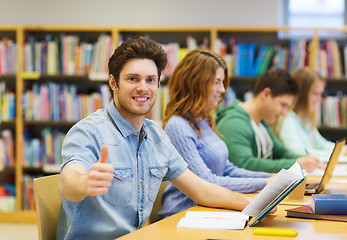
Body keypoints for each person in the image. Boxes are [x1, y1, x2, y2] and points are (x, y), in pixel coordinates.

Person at [56, 36, 256, 240]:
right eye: (133, 79)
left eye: (150, 80)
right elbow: (68, 182)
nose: (143, 87)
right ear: (113, 83)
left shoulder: (156, 136)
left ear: (159, 84)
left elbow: (202, 190)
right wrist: (85, 183)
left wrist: (256, 206)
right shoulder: (88, 131)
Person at [159, 49, 274, 219]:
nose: (222, 90)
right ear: (196, 83)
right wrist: (264, 183)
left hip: (211, 208)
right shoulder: (177, 126)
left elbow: (227, 169)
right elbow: (207, 181)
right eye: (217, 82)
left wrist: (272, 178)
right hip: (183, 214)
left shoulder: (203, 121)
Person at [216, 69, 321, 173]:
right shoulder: (234, 123)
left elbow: (280, 152)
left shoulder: (260, 121)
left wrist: (307, 160)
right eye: (282, 105)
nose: (284, 113)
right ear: (266, 94)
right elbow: (244, 165)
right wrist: (296, 164)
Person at [274, 67, 347, 158]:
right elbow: (298, 152)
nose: (319, 99)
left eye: (320, 94)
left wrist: (344, 149)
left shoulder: (304, 119)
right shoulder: (288, 119)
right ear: (301, 94)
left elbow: (321, 144)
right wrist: (340, 153)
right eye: (315, 94)